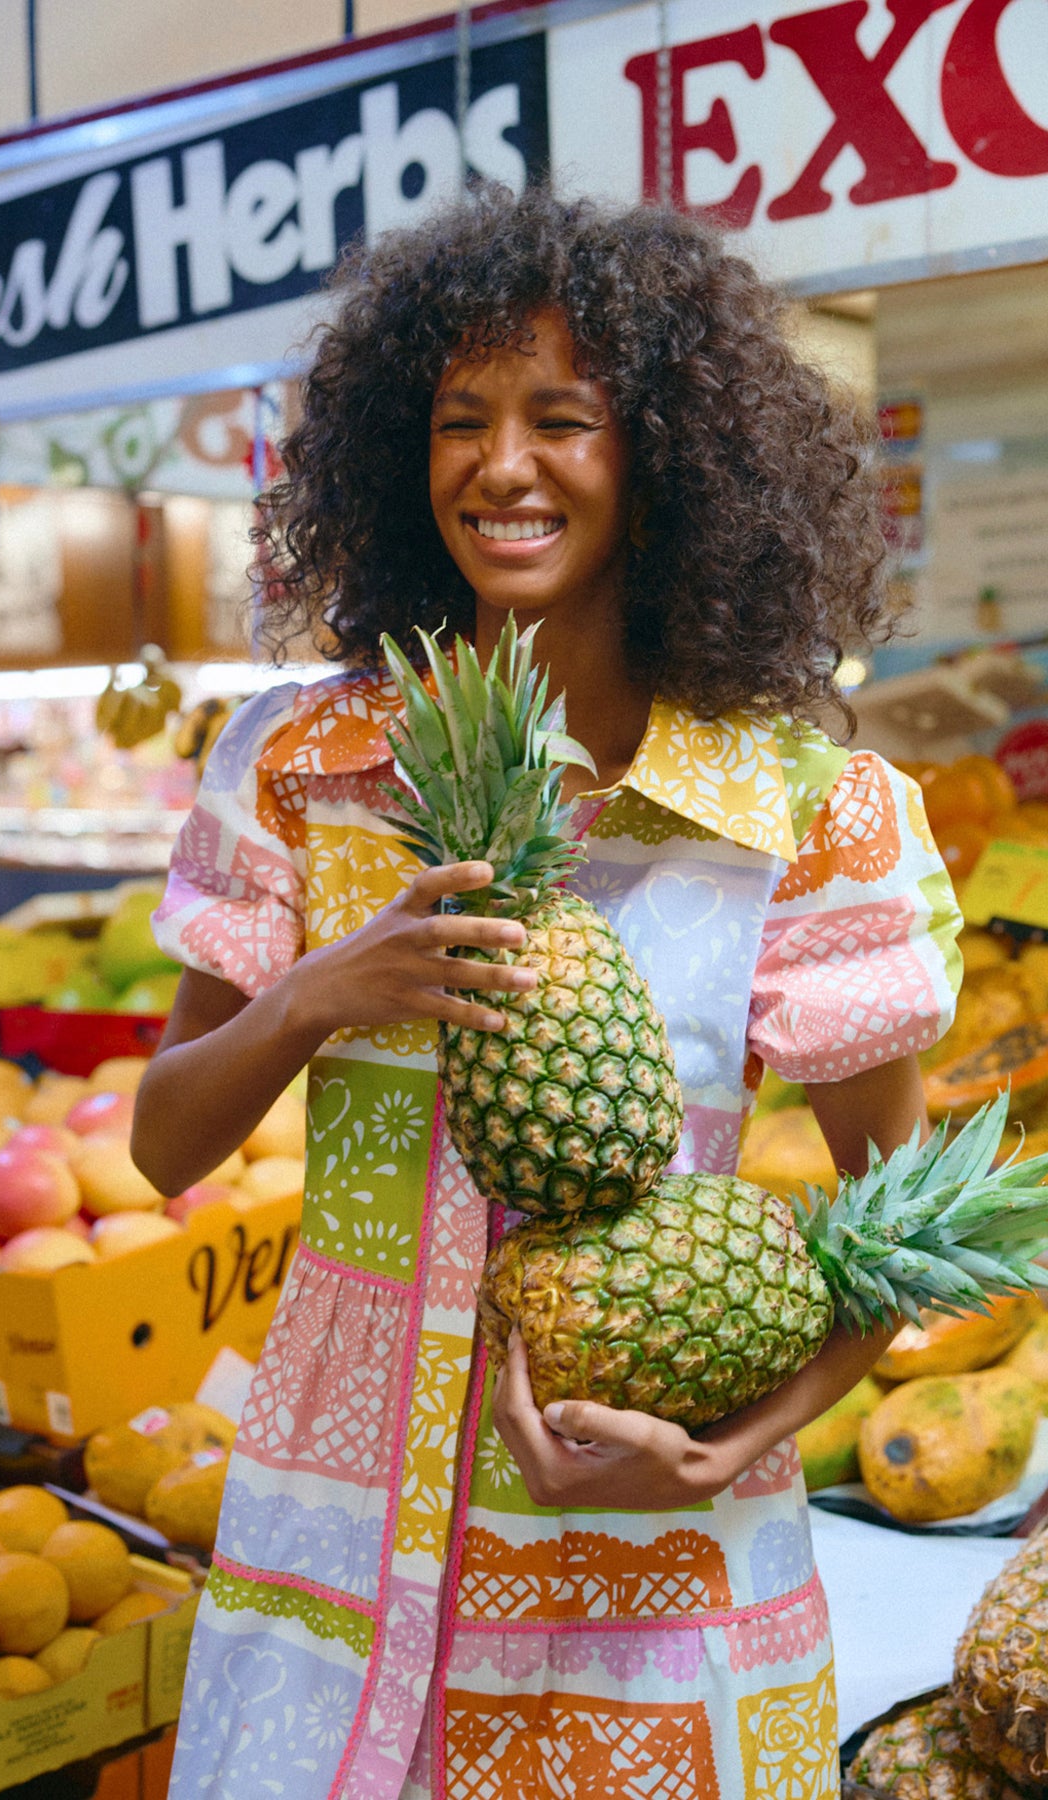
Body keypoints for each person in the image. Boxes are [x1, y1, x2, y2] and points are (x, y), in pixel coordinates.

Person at [133, 185, 962, 1800]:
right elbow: (164, 1144)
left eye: (561, 418)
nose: (502, 466)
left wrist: (742, 1435)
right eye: (460, 420)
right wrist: (314, 996)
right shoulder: (304, 770)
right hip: (336, 1546)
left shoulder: (808, 811)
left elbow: (897, 1221)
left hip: (648, 1578)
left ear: (663, 452)